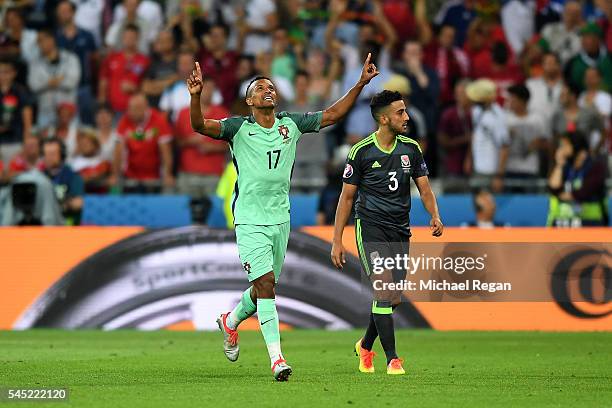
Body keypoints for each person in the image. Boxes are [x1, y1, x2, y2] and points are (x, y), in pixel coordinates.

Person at [188, 53, 380, 381]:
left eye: (271, 87)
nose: (268, 90)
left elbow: (332, 114)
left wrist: (360, 83)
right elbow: (199, 125)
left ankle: (230, 322)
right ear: (249, 100)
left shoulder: (290, 124)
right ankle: (277, 360)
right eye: (260, 88)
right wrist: (195, 98)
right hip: (249, 219)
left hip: (281, 218)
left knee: (265, 286)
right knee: (265, 286)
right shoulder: (237, 128)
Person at [330, 90, 443, 376]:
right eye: (400, 113)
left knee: (392, 298)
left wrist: (434, 215)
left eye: (405, 111)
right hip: (370, 226)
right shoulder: (361, 152)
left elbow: (425, 188)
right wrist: (337, 240)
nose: (406, 117)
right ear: (383, 119)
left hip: (399, 229)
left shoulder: (411, 148)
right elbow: (345, 198)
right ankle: (392, 358)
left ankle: (365, 345)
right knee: (383, 288)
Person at [547, 131, 608, 227]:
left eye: (565, 146)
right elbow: (553, 188)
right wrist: (559, 165)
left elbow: (583, 193)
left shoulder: (596, 167)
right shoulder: (565, 166)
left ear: (577, 146)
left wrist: (561, 195)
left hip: (591, 224)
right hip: (562, 224)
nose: (561, 149)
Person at [41, 137, 84, 225]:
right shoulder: (40, 176)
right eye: (46, 154)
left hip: (66, 222)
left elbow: (79, 203)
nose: (49, 158)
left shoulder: (72, 176)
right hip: (44, 223)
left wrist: (62, 205)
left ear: (62, 155)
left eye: (52, 154)